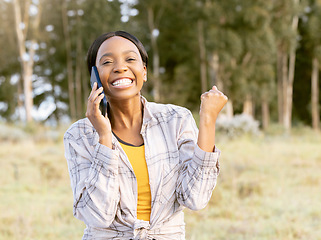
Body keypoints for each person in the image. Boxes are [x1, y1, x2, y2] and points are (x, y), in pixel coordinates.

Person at [63, 30, 228, 240]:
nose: (120, 67)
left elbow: (195, 198)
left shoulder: (176, 120)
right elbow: (97, 216)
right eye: (107, 62)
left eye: (130, 59)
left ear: (144, 71)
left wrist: (207, 121)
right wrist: (104, 138)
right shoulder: (78, 136)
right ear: (94, 78)